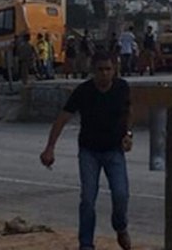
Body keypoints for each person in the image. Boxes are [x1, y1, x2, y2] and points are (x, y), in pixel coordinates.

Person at [39, 52, 133, 250]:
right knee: (88, 199)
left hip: (114, 150)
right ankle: (86, 244)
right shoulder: (84, 91)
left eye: (108, 69)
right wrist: (50, 147)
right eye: (100, 70)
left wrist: (128, 135)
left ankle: (120, 226)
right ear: (93, 71)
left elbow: (128, 113)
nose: (104, 74)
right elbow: (62, 118)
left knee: (121, 194)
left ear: (114, 70)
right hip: (89, 151)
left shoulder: (122, 88)